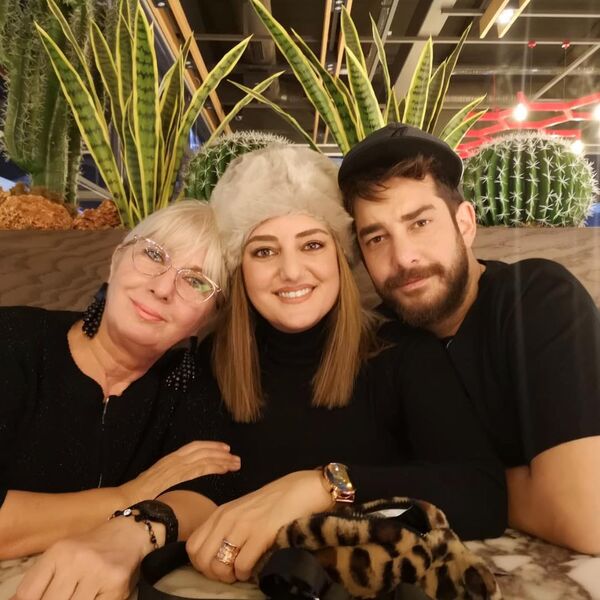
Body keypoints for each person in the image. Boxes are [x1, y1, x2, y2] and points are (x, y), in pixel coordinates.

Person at [14, 146, 506, 600]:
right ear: (239, 271)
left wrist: (320, 486)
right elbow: (198, 483)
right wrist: (133, 526)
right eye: (264, 251)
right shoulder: (208, 363)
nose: (290, 272)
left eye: (312, 245)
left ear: (341, 257)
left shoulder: (401, 353)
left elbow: (482, 493)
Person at [337, 123, 600, 554]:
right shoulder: (377, 341)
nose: (403, 258)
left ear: (465, 223)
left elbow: (587, 516)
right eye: (377, 237)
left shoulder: (538, 300)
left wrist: (471, 485)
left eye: (420, 222)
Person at [0, 200, 240, 560]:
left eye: (195, 281)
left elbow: (206, 493)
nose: (163, 288)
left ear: (208, 316)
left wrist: (136, 530)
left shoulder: (190, 384)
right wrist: (129, 497)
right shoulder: (12, 340)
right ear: (115, 261)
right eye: (154, 255)